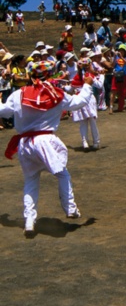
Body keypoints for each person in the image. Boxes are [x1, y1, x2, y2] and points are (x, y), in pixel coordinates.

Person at [0, 60, 94, 237]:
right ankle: (70, 208)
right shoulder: (56, 94)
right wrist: (87, 85)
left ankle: (29, 221)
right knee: (62, 174)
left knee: (31, 181)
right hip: (45, 141)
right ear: (49, 75)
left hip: (25, 143)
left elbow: (2, 110)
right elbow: (79, 101)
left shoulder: (18, 95)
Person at [70, 58, 102, 150]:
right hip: (89, 99)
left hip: (79, 98)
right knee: (92, 121)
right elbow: (99, 85)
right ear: (88, 66)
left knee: (83, 122)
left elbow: (70, 89)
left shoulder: (76, 77)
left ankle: (85, 142)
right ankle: (96, 142)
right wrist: (101, 75)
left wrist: (63, 87)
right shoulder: (89, 75)